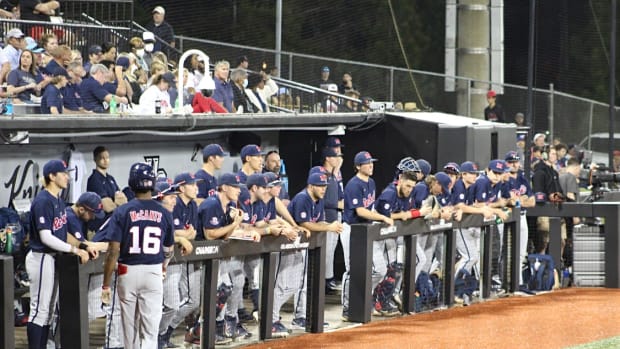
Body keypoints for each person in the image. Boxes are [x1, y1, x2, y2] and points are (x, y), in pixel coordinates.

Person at [101, 162, 175, 349]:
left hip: (127, 272)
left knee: (129, 331)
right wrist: (164, 265)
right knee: (150, 333)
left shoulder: (122, 210)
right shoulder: (164, 213)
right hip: (153, 272)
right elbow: (169, 249)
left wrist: (106, 284)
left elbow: (113, 251)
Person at [26, 159, 92, 348]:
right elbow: (46, 237)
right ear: (52, 176)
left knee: (47, 311)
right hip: (41, 257)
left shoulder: (58, 200)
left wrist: (83, 245)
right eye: (63, 173)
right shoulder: (43, 200)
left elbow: (62, 234)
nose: (67, 177)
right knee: (39, 309)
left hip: (53, 258)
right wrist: (74, 250)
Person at [271, 172, 343, 337]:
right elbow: (305, 223)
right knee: (282, 284)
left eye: (325, 186)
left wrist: (330, 224)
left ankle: (299, 317)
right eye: (320, 186)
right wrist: (328, 227)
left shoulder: (318, 199)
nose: (323, 189)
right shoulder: (303, 198)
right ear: (311, 186)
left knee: (298, 284)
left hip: (298, 244)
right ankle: (271, 317)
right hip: (285, 243)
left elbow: (317, 222)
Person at [341, 151, 394, 321]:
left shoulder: (371, 182)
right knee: (352, 270)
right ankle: (348, 308)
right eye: (367, 163)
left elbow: (370, 209)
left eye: (372, 162)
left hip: (366, 230)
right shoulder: (353, 184)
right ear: (358, 166)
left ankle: (363, 299)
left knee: (380, 269)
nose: (371, 165)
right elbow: (360, 211)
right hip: (351, 229)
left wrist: (380, 216)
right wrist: (382, 217)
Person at [159, 172, 200, 348]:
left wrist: (184, 234)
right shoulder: (167, 208)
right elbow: (171, 232)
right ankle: (158, 335)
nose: (196, 188)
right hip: (161, 261)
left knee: (182, 302)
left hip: (177, 259)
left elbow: (194, 232)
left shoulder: (192, 206)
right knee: (172, 303)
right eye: (192, 184)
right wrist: (183, 236)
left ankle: (163, 334)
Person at [504, 151, 535, 285]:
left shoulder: (522, 179)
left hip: (522, 217)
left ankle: (519, 282)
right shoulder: (505, 179)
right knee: (507, 252)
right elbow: (511, 201)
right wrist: (520, 200)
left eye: (515, 161)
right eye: (510, 162)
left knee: (521, 252)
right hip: (509, 218)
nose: (514, 164)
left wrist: (520, 201)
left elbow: (532, 202)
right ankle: (507, 282)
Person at [86, 146, 128, 230]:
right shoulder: (94, 179)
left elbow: (124, 200)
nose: (106, 160)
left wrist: (114, 202)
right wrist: (116, 202)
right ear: (95, 160)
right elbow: (107, 207)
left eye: (107, 157)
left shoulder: (110, 178)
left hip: (111, 223)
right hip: (99, 226)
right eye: (102, 158)